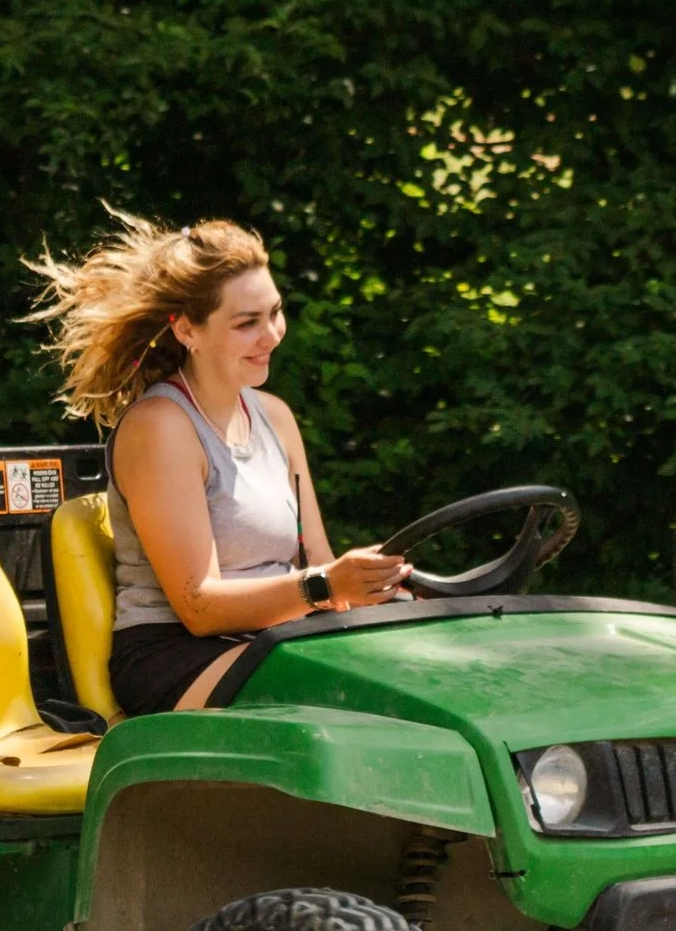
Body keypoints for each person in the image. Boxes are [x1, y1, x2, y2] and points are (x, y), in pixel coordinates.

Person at [29, 214, 410, 715]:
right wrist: (325, 587)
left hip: (279, 639)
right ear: (188, 330)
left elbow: (318, 561)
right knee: (360, 699)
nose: (272, 335)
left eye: (275, 313)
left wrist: (369, 585)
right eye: (247, 323)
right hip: (178, 653)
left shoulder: (275, 416)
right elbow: (199, 607)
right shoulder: (161, 428)